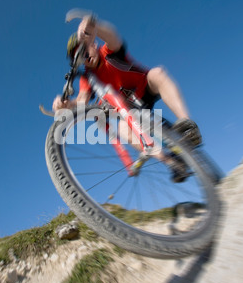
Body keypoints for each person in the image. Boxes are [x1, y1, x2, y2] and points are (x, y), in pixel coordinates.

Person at [52, 10, 202, 181]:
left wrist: (93, 25)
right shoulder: (87, 77)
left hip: (146, 88)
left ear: (93, 44)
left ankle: (188, 127)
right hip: (130, 110)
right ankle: (173, 163)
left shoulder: (109, 52)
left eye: (84, 49)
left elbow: (113, 36)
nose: (85, 57)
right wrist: (66, 105)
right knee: (123, 129)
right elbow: (81, 101)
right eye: (79, 57)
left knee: (157, 73)